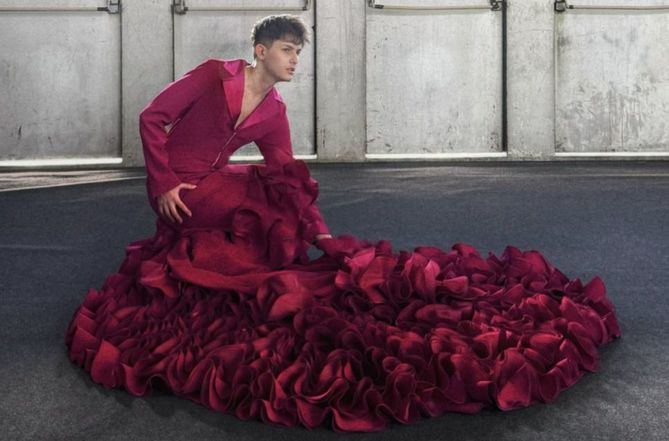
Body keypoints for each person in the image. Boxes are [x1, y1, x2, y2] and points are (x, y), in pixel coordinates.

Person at [65, 14, 622, 433]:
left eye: (298, 55)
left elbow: (287, 173)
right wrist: (161, 183)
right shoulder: (214, 77)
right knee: (259, 194)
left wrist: (323, 234)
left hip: (211, 189)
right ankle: (245, 261)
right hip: (177, 189)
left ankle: (266, 265)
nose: (294, 62)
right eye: (287, 51)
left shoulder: (273, 111)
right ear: (259, 52)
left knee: (277, 185)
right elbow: (151, 118)